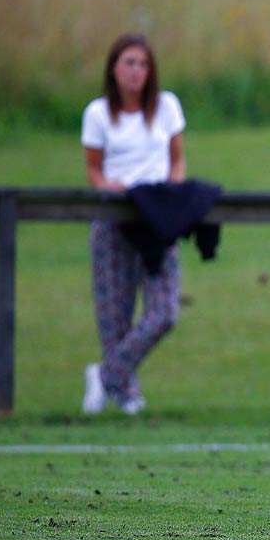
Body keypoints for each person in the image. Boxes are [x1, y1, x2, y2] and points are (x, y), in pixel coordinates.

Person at [81, 33, 186, 416]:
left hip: (156, 218)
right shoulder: (97, 114)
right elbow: (94, 169)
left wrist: (170, 193)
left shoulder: (166, 107)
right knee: (114, 314)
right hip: (114, 218)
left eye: (143, 64)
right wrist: (111, 189)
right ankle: (127, 393)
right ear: (113, 67)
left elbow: (177, 161)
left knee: (164, 312)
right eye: (129, 63)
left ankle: (105, 375)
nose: (136, 72)